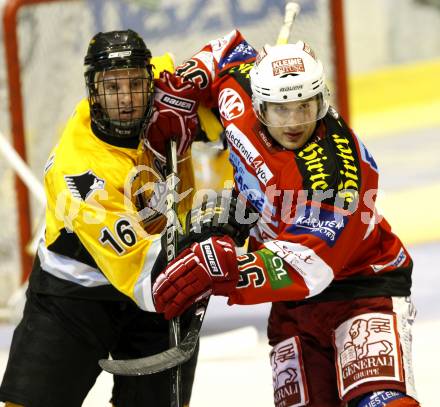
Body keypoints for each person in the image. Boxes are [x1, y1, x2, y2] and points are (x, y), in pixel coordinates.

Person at [151, 30, 420, 407]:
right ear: (259, 105)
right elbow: (226, 51)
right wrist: (185, 85)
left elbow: (309, 268)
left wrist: (227, 270)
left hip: (361, 289)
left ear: (321, 101)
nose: (294, 122)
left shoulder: (333, 174)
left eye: (305, 107)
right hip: (291, 306)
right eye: (282, 109)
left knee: (379, 403)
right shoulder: (242, 93)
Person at [0, 29, 203, 407]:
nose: (126, 99)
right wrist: (209, 254)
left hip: (155, 277)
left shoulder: (158, 90)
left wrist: (209, 79)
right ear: (93, 92)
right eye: (112, 88)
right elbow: (148, 281)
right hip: (76, 296)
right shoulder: (80, 176)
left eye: (135, 84)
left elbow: (228, 58)